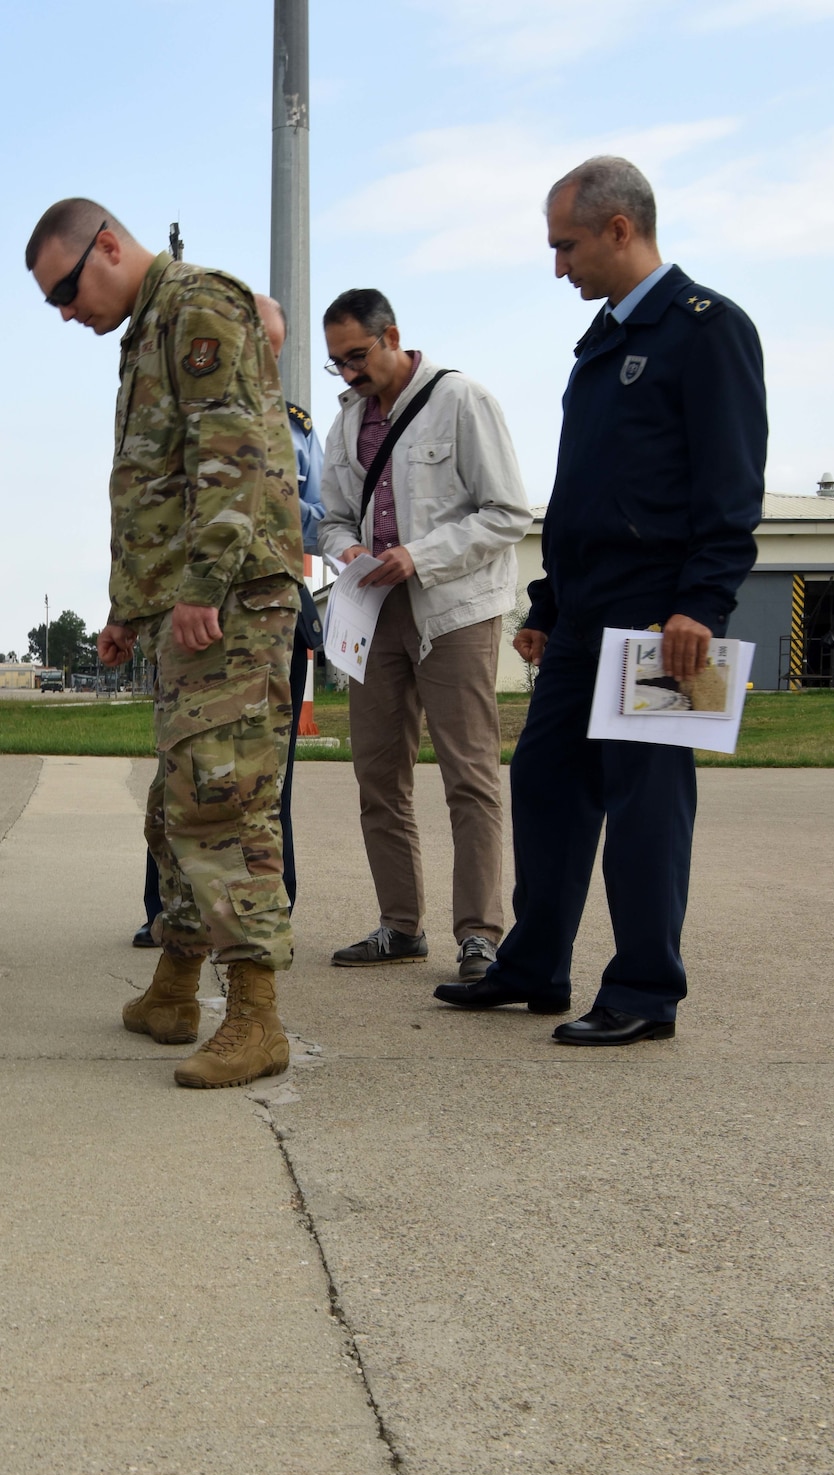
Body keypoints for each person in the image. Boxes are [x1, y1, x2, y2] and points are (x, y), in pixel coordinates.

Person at [434, 157, 766, 1044]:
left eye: (565, 245)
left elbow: (731, 485)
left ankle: (644, 991)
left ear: (620, 229)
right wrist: (545, 602)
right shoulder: (604, 340)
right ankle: (535, 965)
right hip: (583, 616)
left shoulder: (706, 330)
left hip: (664, 621)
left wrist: (703, 600)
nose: (557, 267)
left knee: (647, 806)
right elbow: (581, 491)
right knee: (543, 784)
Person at [26, 199, 304, 1088]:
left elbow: (231, 454)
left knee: (223, 801)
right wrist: (128, 609)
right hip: (190, 608)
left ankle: (255, 1018)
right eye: (53, 303)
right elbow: (160, 478)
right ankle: (176, 987)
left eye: (66, 289)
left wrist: (199, 587)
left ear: (107, 245)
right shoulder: (149, 330)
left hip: (232, 602)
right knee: (178, 801)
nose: (67, 312)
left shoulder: (195, 307)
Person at [318, 289, 531, 980]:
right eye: (335, 363)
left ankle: (478, 934)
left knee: (468, 774)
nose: (347, 373)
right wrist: (346, 550)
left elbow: (507, 513)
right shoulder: (346, 422)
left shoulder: (460, 400)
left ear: (392, 336)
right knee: (377, 773)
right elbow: (330, 518)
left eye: (356, 356)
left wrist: (423, 554)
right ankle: (399, 925)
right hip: (373, 613)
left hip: (454, 610)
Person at [133, 290, 323, 942]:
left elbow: (318, 516)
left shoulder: (296, 427)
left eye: (267, 345)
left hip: (263, 604)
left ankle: (266, 917)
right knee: (182, 776)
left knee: (257, 782)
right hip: (196, 610)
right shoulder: (190, 406)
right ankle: (172, 921)